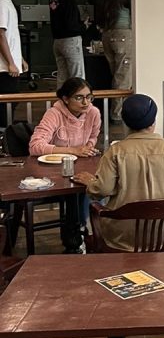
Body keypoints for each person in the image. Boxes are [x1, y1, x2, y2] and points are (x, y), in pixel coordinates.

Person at [74, 94, 164, 252]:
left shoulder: (115, 152)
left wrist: (90, 182)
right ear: (153, 122)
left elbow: (102, 190)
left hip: (124, 237)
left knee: (91, 220)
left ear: (125, 122)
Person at [28, 76, 101, 252]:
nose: (86, 102)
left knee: (95, 184)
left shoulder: (93, 113)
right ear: (65, 99)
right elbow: (35, 146)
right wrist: (74, 150)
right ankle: (75, 238)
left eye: (89, 97)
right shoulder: (54, 114)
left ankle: (86, 234)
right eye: (79, 97)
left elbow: (92, 137)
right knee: (77, 191)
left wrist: (89, 148)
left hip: (81, 167)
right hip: (53, 170)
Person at [95, 0, 132, 122]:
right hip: (123, 35)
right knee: (122, 77)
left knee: (116, 73)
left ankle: (116, 111)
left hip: (107, 35)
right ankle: (117, 114)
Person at [49, 0, 85, 85]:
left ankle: (60, 102)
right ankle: (79, 102)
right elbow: (71, 24)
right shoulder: (69, 0)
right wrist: (83, 26)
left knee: (62, 77)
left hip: (57, 41)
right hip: (71, 41)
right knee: (77, 77)